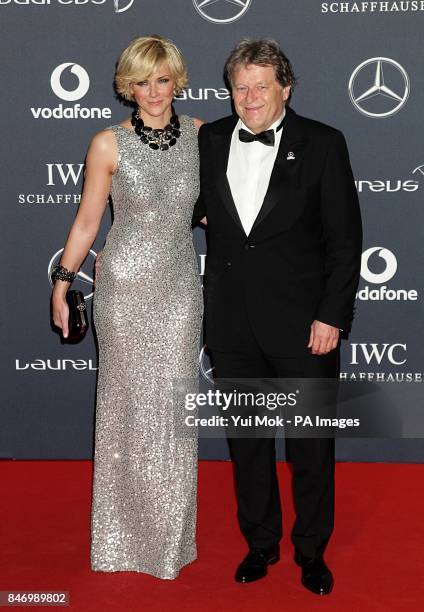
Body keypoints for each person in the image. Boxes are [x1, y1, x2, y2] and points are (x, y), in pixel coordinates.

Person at [193, 38, 362, 594]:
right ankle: (260, 543)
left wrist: (332, 316)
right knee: (248, 444)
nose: (250, 97)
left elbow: (344, 241)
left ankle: (312, 551)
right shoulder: (211, 138)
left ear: (286, 88)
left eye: (261, 85)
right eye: (241, 86)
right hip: (233, 325)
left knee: (311, 447)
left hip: (303, 324)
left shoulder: (323, 143)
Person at [51, 35, 203, 580]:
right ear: (128, 86)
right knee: (125, 411)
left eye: (163, 79)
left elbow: (220, 212)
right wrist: (62, 282)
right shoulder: (107, 144)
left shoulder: (202, 136)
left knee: (172, 414)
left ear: (176, 80)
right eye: (142, 81)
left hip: (181, 288)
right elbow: (89, 222)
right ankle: (118, 542)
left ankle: (168, 543)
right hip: (123, 285)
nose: (153, 91)